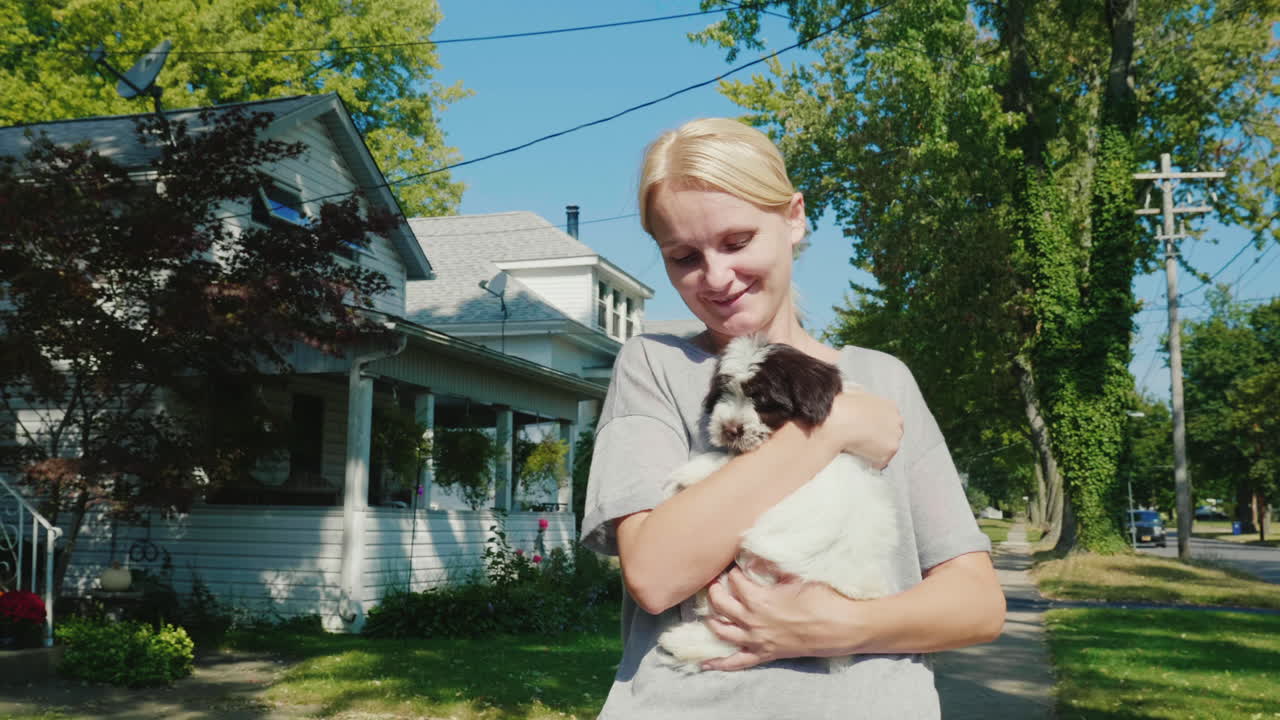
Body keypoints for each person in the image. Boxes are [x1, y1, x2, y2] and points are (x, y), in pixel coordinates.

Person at [579, 117, 1005, 719]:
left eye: (736, 241)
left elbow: (978, 605)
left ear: (794, 217)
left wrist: (843, 627)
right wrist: (829, 428)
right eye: (683, 257)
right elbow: (654, 572)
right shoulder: (654, 365)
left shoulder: (885, 379)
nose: (716, 277)